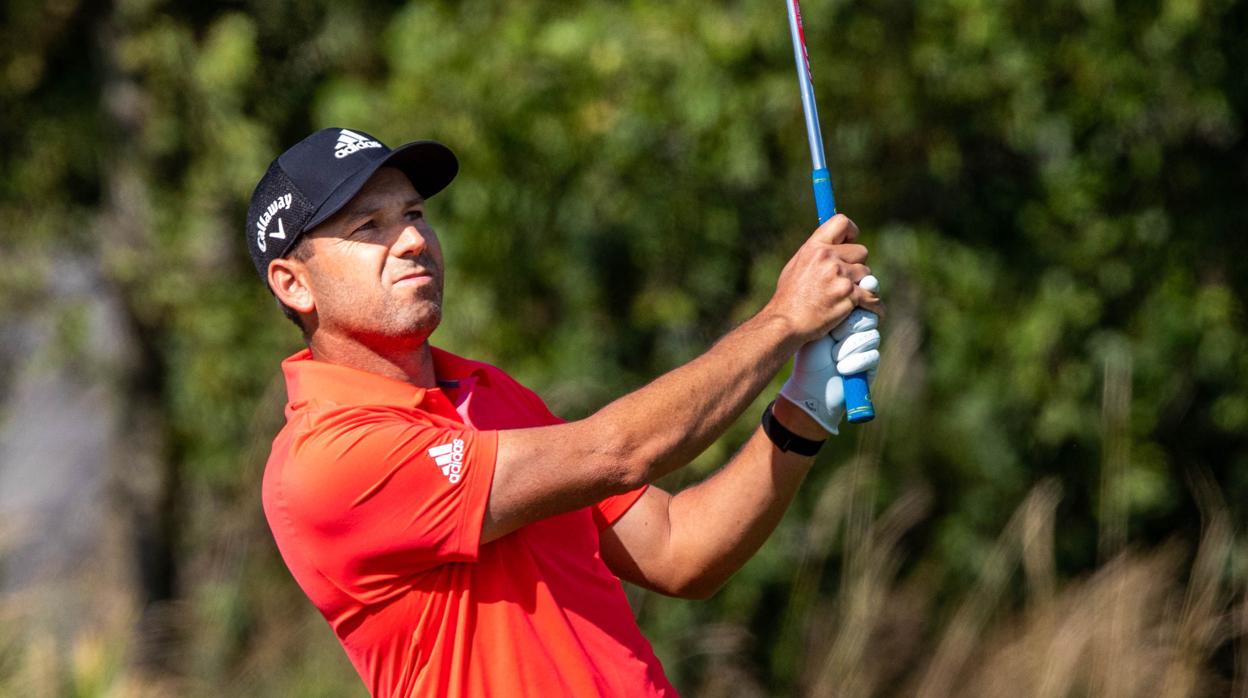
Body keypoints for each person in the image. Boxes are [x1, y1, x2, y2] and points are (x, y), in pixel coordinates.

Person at [247, 127, 882, 697]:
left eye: (414, 213)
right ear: (292, 284)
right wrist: (780, 321)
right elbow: (620, 452)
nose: (414, 238)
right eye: (369, 227)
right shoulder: (325, 459)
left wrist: (802, 411)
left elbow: (677, 550)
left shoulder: (490, 392)